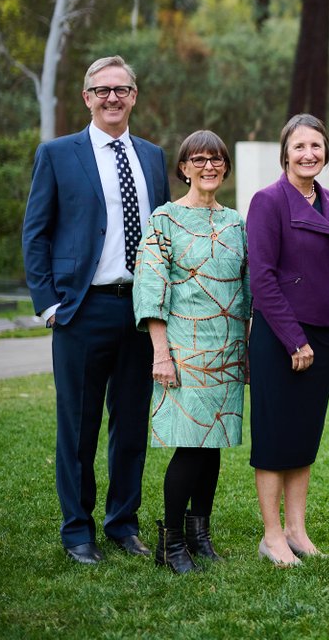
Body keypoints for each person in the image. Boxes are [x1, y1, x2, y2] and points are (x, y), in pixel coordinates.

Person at [22, 55, 171, 565]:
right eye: (102, 89)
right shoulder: (58, 154)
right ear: (87, 97)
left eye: (122, 89)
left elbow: (165, 235)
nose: (112, 97)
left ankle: (122, 523)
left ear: (134, 96)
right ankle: (76, 530)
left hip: (140, 310)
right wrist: (48, 305)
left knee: (130, 425)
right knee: (79, 427)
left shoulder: (153, 157)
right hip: (81, 310)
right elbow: (36, 232)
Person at [133, 131, 249, 574]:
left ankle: (201, 535)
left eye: (217, 159)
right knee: (190, 443)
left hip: (227, 346)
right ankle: (171, 541)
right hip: (183, 347)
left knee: (213, 441)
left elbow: (246, 290)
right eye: (198, 159)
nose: (209, 167)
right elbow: (151, 288)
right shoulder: (164, 219)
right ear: (183, 168)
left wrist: (247, 350)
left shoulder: (236, 223)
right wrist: (160, 353)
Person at [247, 114, 329, 568]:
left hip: (323, 336)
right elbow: (262, 278)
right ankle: (271, 536)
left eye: (316, 145)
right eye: (299, 147)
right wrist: (294, 339)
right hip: (280, 336)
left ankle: (296, 529)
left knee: (304, 435)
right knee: (275, 436)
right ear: (284, 153)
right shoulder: (267, 201)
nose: (309, 153)